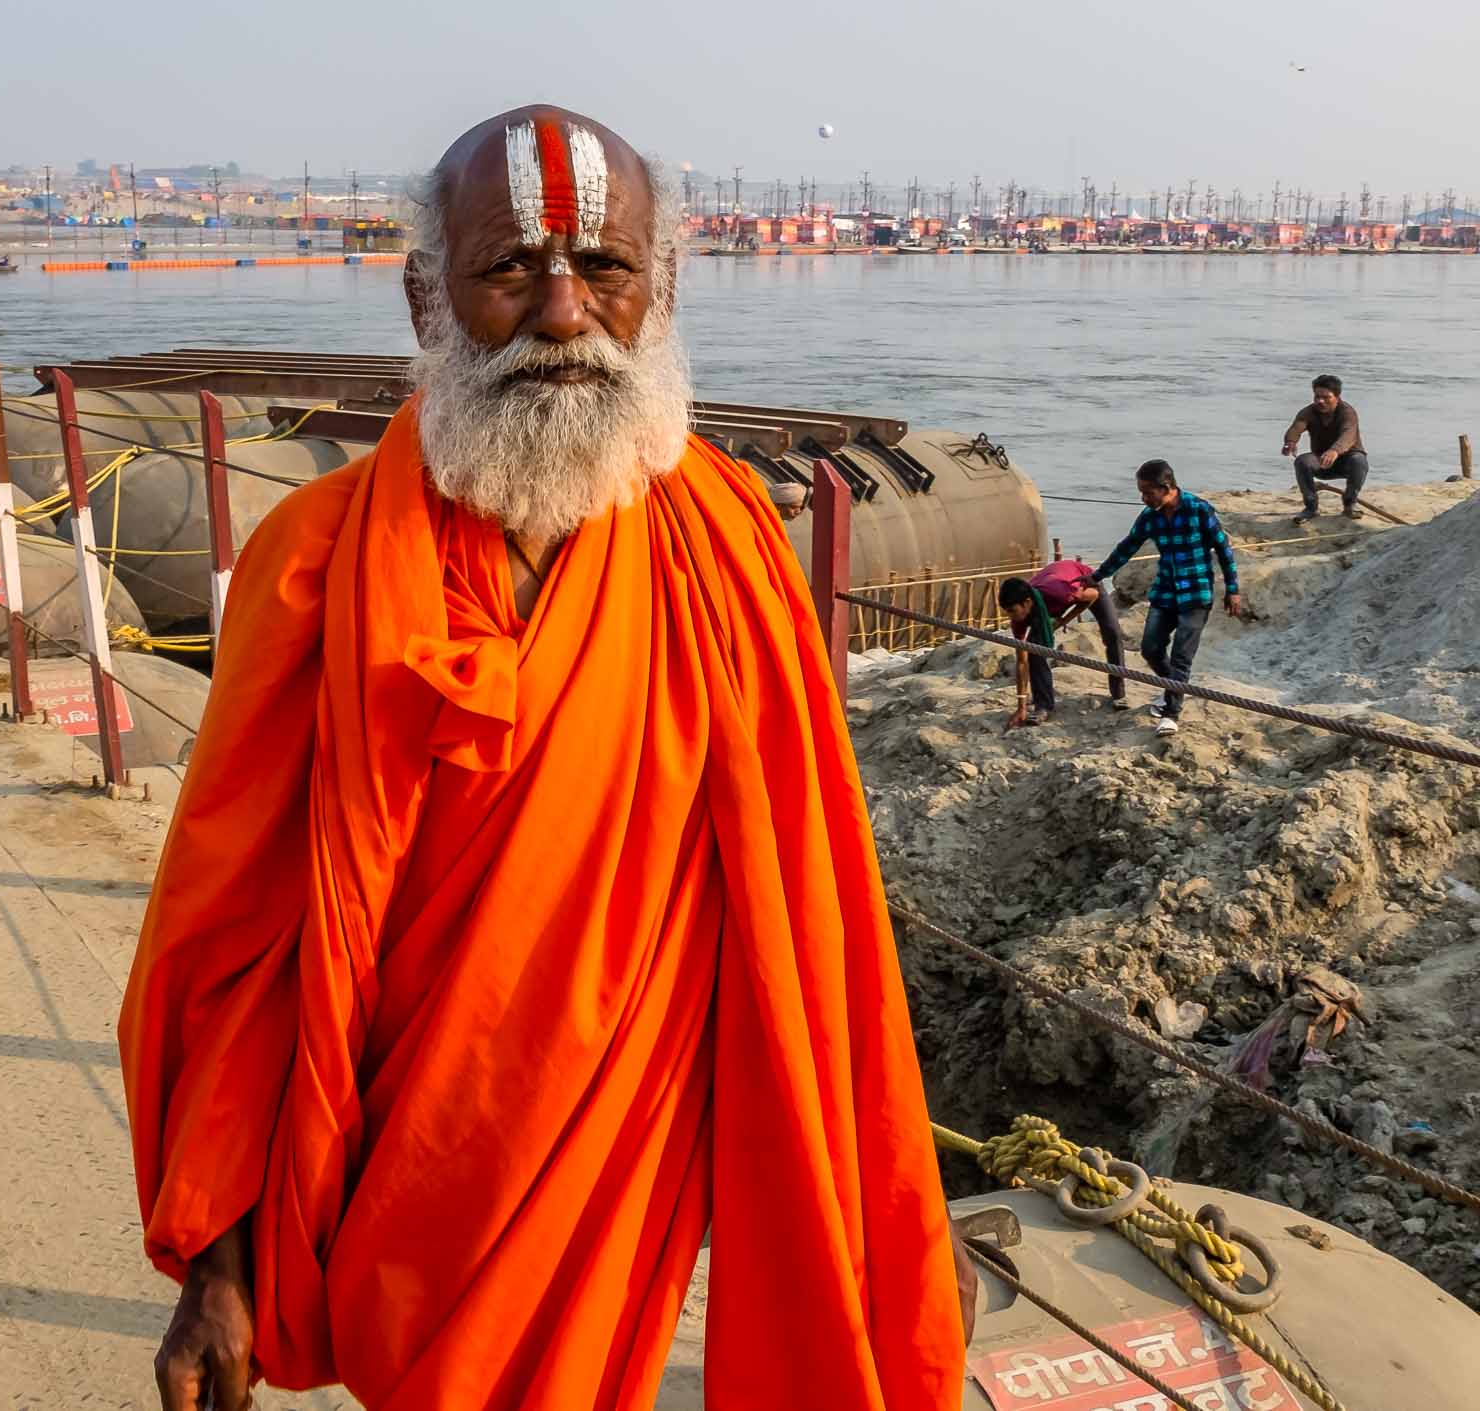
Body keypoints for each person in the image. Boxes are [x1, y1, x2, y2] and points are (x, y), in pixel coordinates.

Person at [118, 105, 973, 1411]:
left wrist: (876, 1200)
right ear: (427, 299)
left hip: (625, 1151)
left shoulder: (731, 543)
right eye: (510, 268)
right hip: (397, 1171)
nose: (563, 313)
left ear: (662, 290)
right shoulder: (315, 559)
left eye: (606, 268)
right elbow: (237, 936)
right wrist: (215, 1262)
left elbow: (815, 910)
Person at [1093, 460, 1242, 737]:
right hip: (1165, 591)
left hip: (1196, 593)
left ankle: (1171, 713)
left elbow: (1224, 549)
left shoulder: (1199, 510)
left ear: (1167, 487)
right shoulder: (1151, 516)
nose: (1143, 498)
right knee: (1150, 648)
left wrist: (1233, 589)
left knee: (1182, 655)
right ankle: (1174, 688)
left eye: (1148, 492)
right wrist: (1097, 575)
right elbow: (1127, 547)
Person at [998, 556, 1129, 727]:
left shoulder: (1060, 594)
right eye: (1007, 612)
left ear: (1027, 603)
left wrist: (1064, 620)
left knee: (1113, 633)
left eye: (1012, 611)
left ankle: (1119, 694)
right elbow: (1022, 661)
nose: (1011, 616)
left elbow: (1092, 596)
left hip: (1085, 582)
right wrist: (1021, 707)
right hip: (1053, 584)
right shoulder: (1019, 618)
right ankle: (1043, 706)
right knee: (1034, 652)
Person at [1284, 374, 1368, 523]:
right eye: (1317, 397)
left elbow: (1348, 435)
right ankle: (1310, 508)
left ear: (1337, 396)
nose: (1320, 401)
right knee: (1302, 461)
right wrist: (1290, 442)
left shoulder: (1348, 413)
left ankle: (1350, 504)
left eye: (1326, 397)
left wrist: (1335, 450)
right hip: (1321, 461)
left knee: (1359, 460)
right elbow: (1296, 428)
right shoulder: (1308, 412)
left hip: (1347, 462)